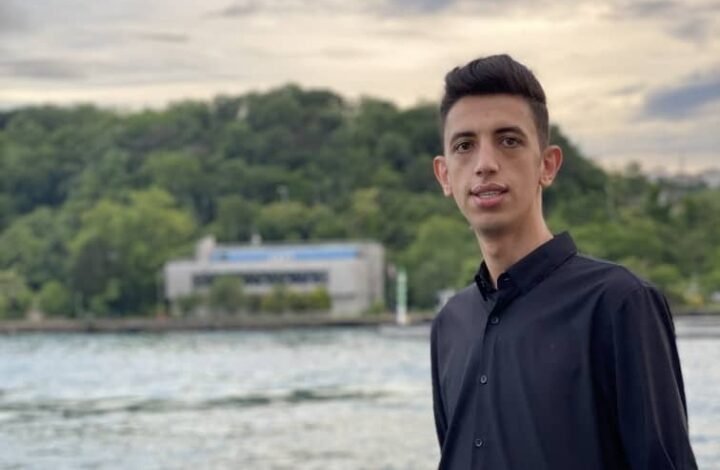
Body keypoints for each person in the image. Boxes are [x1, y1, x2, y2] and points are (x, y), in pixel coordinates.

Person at [430, 54, 697, 470]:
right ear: (445, 175)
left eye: (509, 141)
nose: (485, 164)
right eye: (465, 146)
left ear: (548, 165)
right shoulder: (450, 323)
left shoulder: (618, 303)